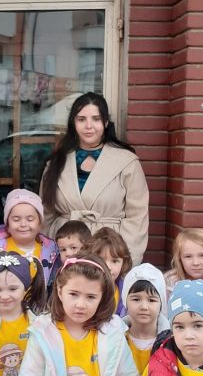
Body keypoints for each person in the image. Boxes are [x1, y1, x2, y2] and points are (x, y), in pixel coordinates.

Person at [39, 92, 149, 266]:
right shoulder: (56, 163)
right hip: (64, 250)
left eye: (96, 119)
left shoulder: (127, 162)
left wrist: (125, 259)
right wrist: (47, 256)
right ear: (73, 123)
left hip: (108, 250)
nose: (89, 126)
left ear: (105, 122)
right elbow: (46, 214)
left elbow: (138, 217)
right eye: (81, 119)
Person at [0, 189, 59, 286]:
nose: (23, 224)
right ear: (7, 225)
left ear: (40, 225)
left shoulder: (52, 251)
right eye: (16, 220)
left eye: (30, 219)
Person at [84, 227, 133, 316]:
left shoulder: (127, 292)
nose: (108, 267)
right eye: (101, 259)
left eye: (114, 261)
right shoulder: (81, 288)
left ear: (123, 263)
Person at [164, 228, 203, 296]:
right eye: (188, 256)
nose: (196, 263)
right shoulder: (169, 283)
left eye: (202, 255)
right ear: (179, 259)